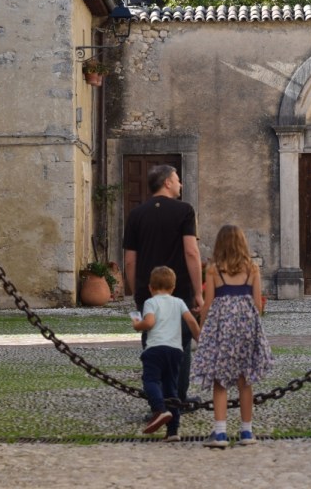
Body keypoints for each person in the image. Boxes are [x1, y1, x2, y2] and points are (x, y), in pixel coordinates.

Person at [123, 164, 204, 415]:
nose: (180, 184)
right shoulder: (184, 211)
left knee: (153, 346)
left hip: (148, 291)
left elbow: (129, 260)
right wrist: (199, 292)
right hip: (178, 289)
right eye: (178, 180)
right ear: (168, 182)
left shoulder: (136, 214)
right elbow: (191, 251)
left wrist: (135, 290)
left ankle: (158, 402)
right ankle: (177, 399)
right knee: (181, 344)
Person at [191, 224, 272, 448]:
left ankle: (220, 433)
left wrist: (204, 327)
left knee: (220, 380)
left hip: (222, 331)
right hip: (246, 328)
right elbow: (258, 305)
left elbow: (207, 305)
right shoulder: (253, 269)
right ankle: (246, 432)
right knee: (245, 381)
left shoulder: (214, 270)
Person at [132, 266, 201, 441]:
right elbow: (191, 322)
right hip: (176, 351)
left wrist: (137, 325)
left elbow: (149, 323)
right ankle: (173, 431)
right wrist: (201, 339)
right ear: (173, 287)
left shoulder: (150, 302)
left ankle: (160, 409)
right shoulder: (178, 302)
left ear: (150, 288)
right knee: (172, 389)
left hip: (155, 349)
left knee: (151, 380)